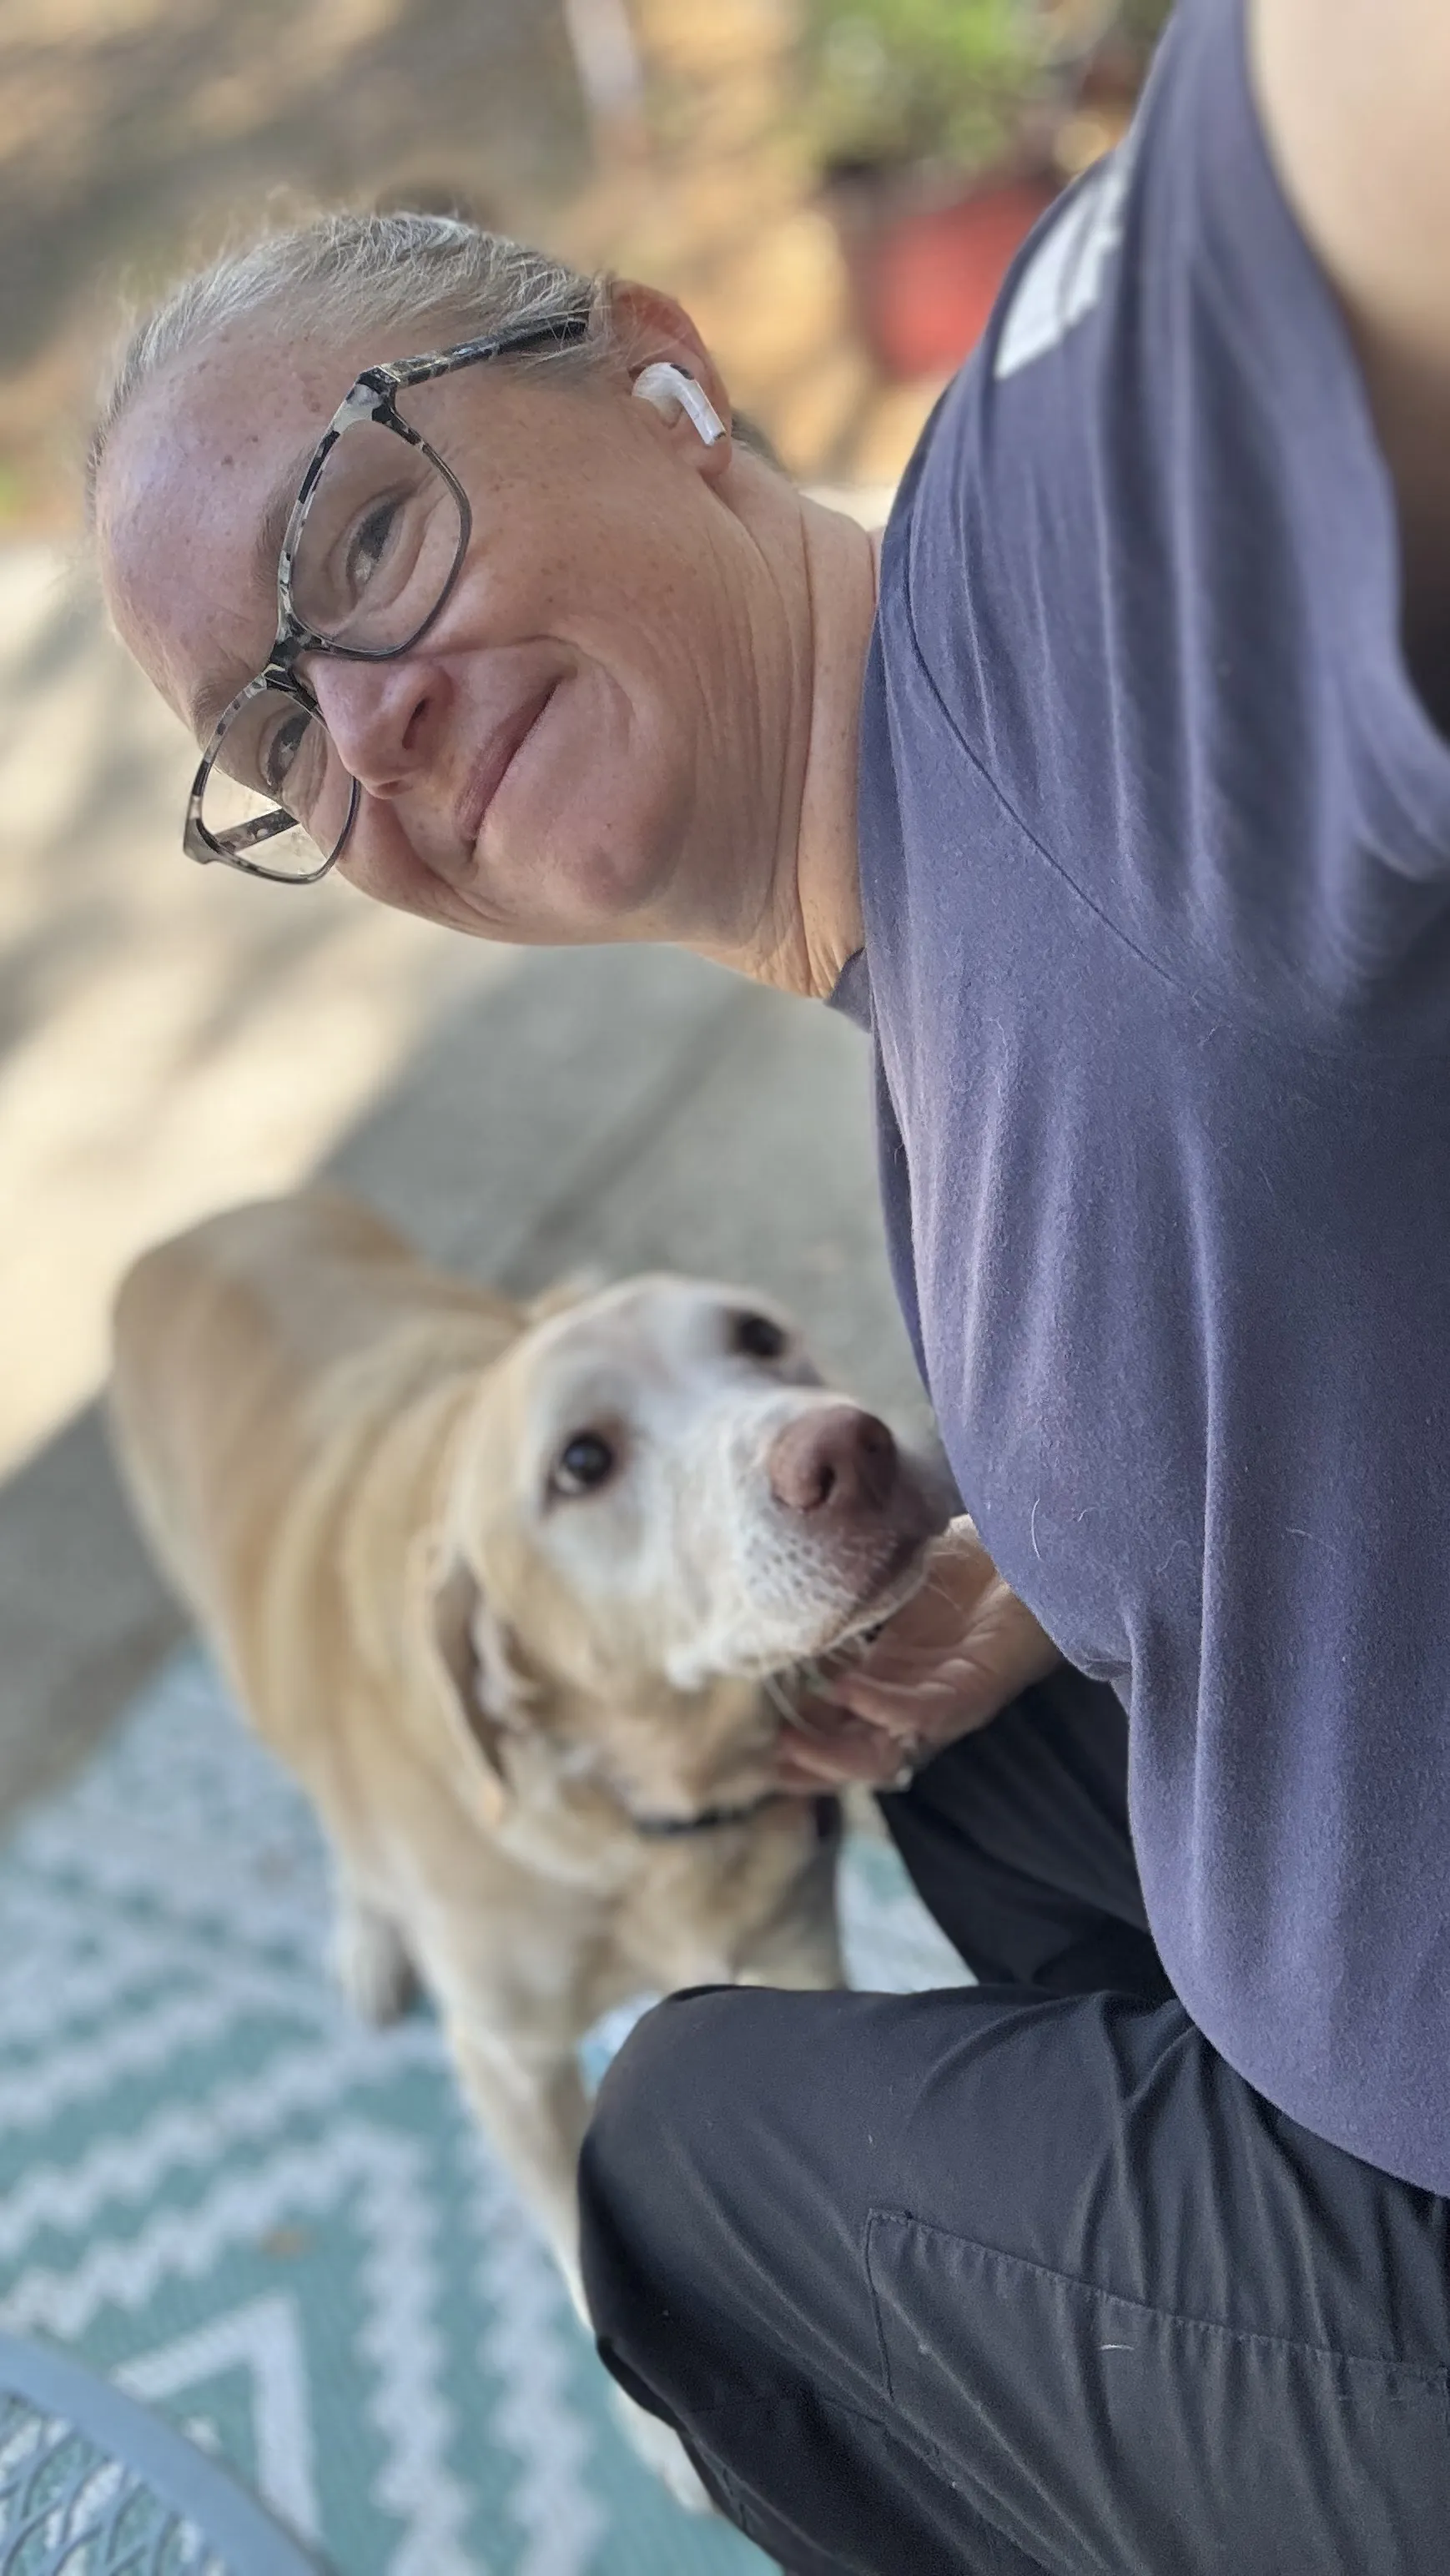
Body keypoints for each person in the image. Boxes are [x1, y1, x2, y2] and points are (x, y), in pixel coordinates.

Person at [88, 0, 1450, 2563]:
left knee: (681, 2143)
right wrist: (1093, 1560)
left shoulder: (1065, 571)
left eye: (359, 544)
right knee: (913, 1716)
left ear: (665, 380)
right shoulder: (919, 967)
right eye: (272, 743)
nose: (363, 730)